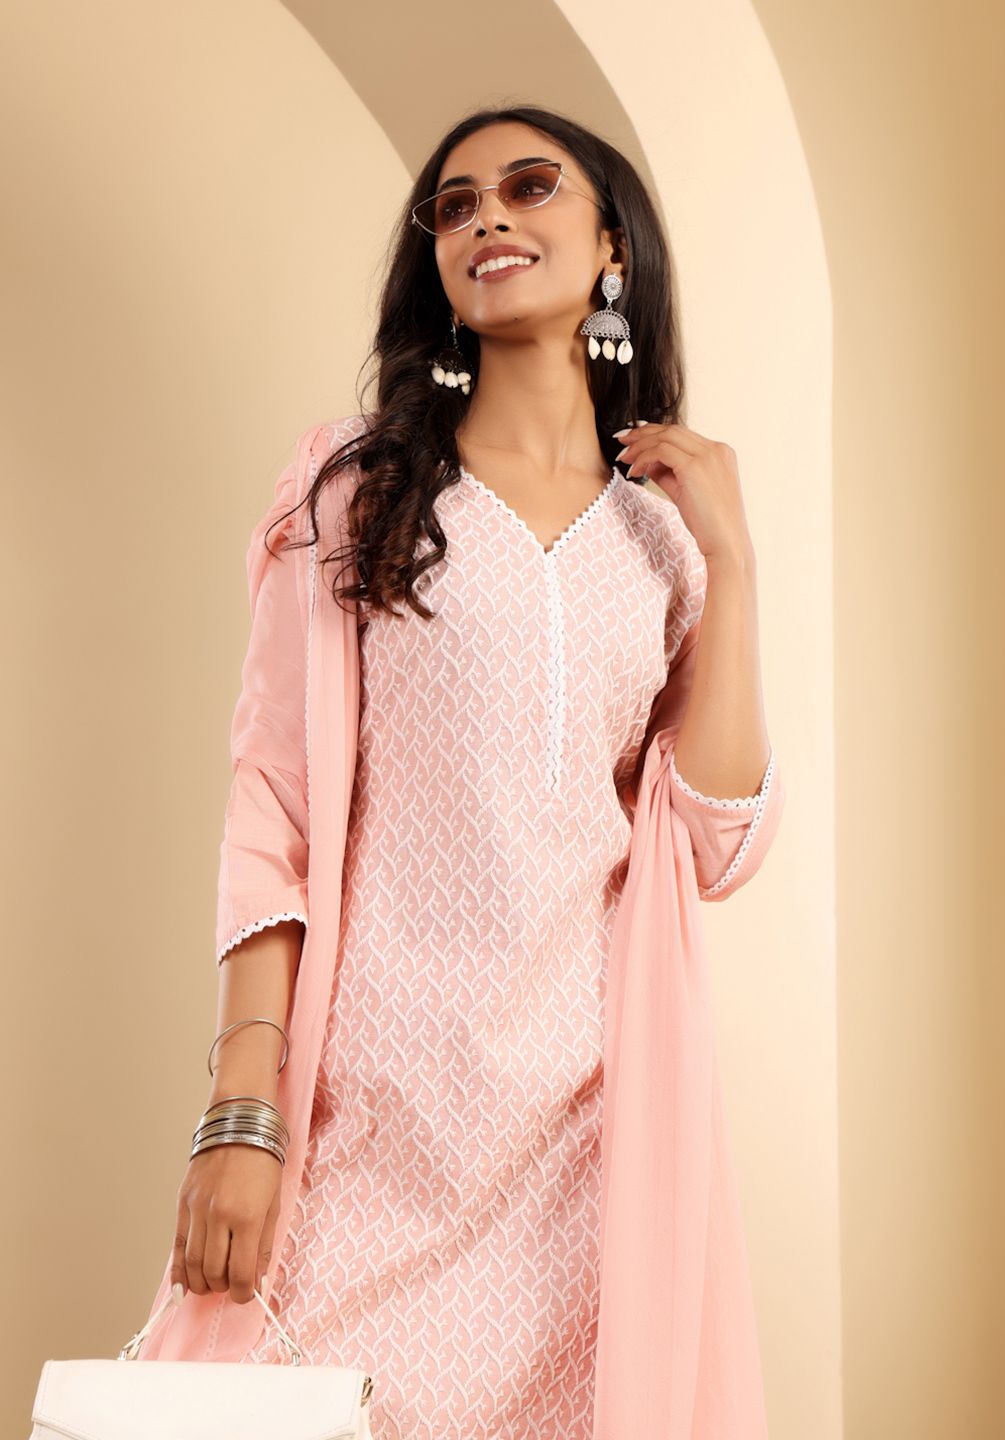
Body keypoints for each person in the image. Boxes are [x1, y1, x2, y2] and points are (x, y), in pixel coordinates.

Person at [136, 104, 784, 1440]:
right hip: (369, 1114)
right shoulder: (354, 494)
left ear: (613, 245)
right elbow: (273, 806)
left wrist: (735, 566)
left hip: (582, 1149)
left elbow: (717, 834)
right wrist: (243, 1115)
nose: (486, 214)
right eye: (455, 202)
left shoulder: (665, 540)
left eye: (530, 187)